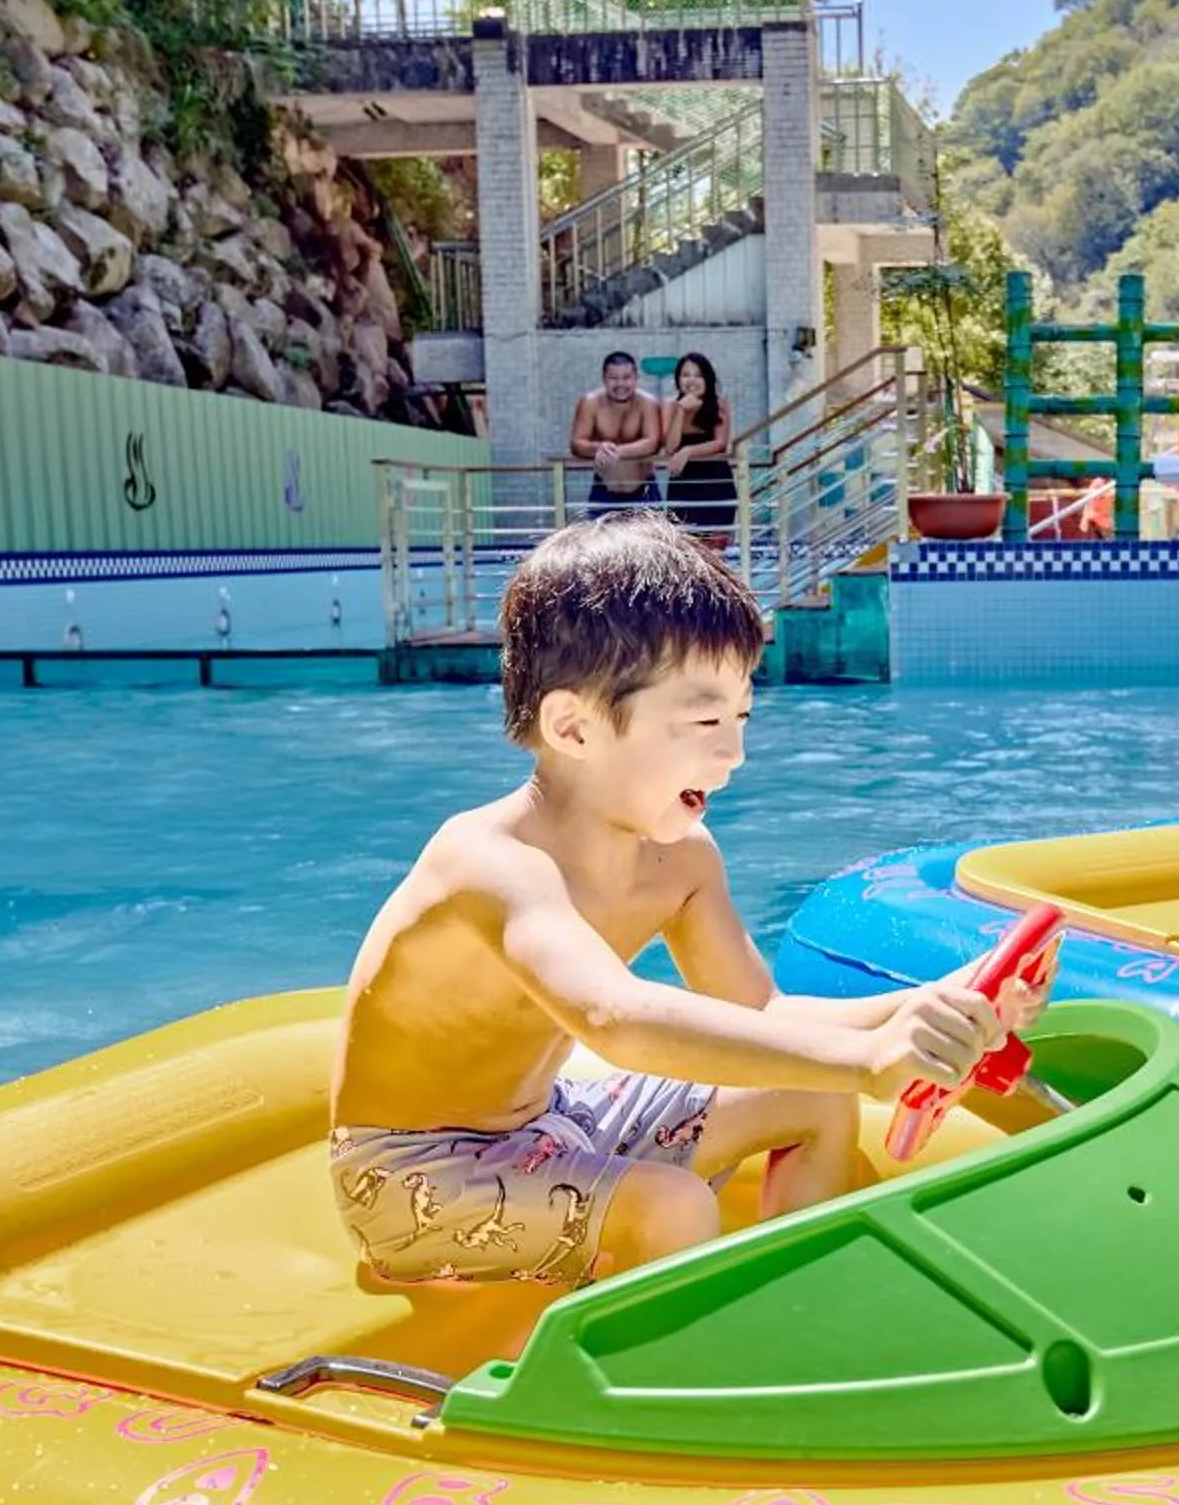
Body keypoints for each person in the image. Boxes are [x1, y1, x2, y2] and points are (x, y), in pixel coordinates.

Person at [330, 517, 1044, 1290]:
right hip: (410, 1172)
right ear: (573, 727)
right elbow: (615, 1020)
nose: (734, 752)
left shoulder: (682, 860)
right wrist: (868, 1056)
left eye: (741, 718)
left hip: (550, 1117)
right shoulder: (493, 866)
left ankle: (806, 1306)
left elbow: (761, 1013)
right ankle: (678, 1390)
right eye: (705, 721)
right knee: (668, 1204)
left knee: (817, 1095)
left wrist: (937, 1001)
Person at [568, 352, 661, 515]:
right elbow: (577, 443)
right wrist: (598, 447)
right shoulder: (590, 403)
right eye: (613, 378)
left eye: (626, 377)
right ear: (604, 379)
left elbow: (652, 442)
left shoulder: (648, 403)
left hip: (643, 490)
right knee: (600, 540)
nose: (620, 384)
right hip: (604, 491)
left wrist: (615, 451)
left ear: (636, 378)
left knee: (651, 540)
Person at [657, 351, 739, 537]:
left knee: (714, 550)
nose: (691, 380)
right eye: (685, 375)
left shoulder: (719, 403)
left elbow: (720, 443)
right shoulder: (670, 406)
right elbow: (670, 447)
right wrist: (681, 411)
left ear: (707, 379)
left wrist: (688, 451)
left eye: (698, 375)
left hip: (715, 483)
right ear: (678, 379)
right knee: (685, 551)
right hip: (683, 486)